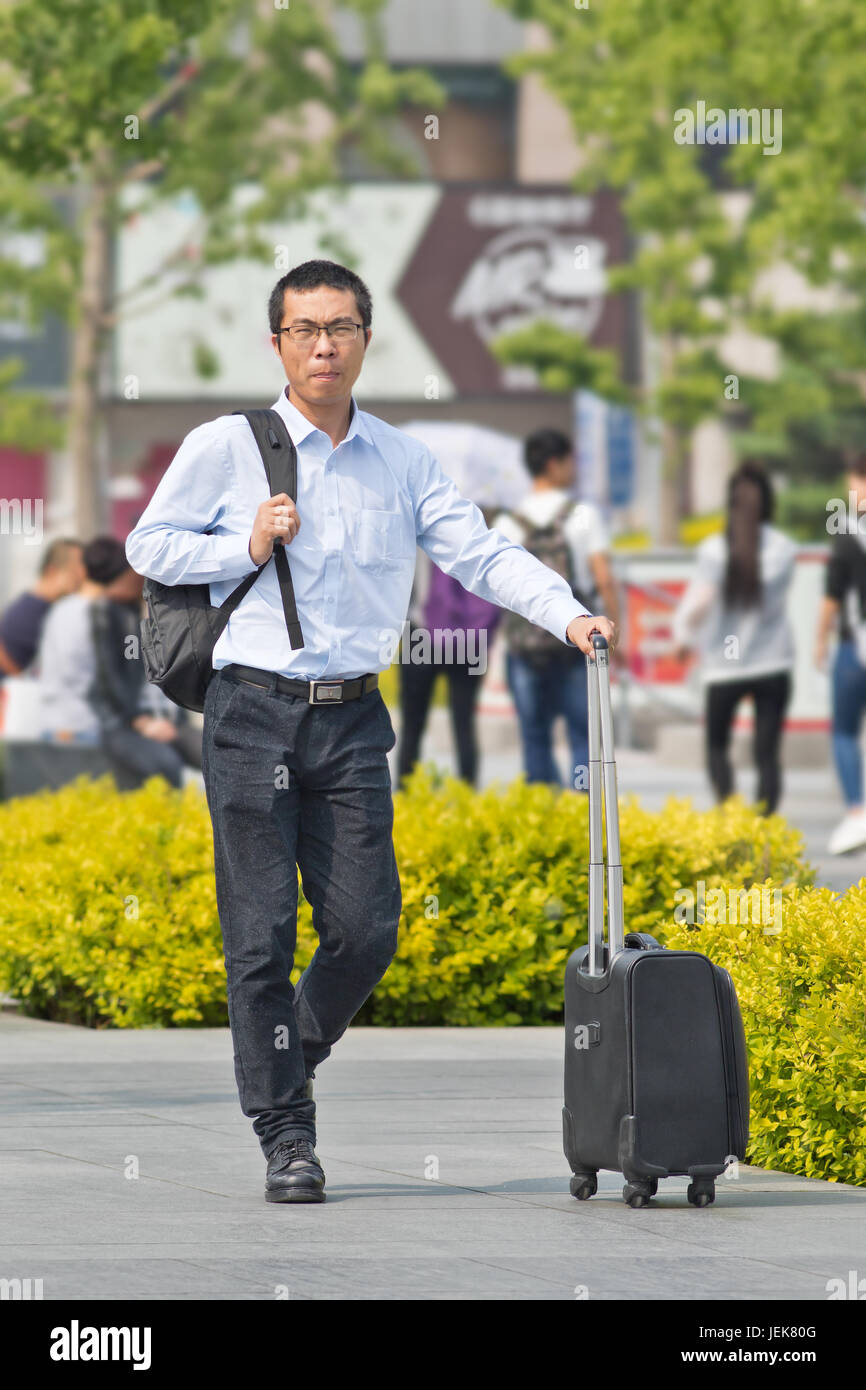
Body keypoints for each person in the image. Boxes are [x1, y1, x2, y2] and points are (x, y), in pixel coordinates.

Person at [125, 258, 617, 1206]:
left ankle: (285, 1059)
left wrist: (568, 614)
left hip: (353, 718)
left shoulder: (401, 458)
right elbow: (152, 544)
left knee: (366, 929)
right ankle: (285, 1134)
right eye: (304, 329)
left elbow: (477, 551)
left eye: (340, 327)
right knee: (260, 934)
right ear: (277, 343)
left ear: (364, 339)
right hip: (251, 713)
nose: (323, 345)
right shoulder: (229, 446)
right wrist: (248, 543)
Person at [493, 429, 620, 789]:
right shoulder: (583, 516)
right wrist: (616, 630)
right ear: (554, 464)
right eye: (570, 460)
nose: (574, 467)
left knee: (534, 735)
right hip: (578, 642)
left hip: (524, 646)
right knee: (583, 734)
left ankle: (543, 821)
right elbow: (604, 579)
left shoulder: (508, 522)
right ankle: (583, 823)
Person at [672, 461, 796, 817]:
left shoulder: (715, 550)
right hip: (773, 661)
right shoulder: (783, 549)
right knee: (767, 753)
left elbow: (701, 601)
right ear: (769, 503)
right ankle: (763, 826)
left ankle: (729, 817)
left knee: (716, 747)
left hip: (723, 666)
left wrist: (682, 636)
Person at [36, 537, 200, 788]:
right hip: (91, 726)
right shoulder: (100, 615)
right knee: (166, 766)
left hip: (63, 722)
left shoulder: (64, 610)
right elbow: (109, 682)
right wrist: (141, 722)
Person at [397, 506, 502, 788]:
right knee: (464, 722)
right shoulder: (480, 525)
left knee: (412, 725)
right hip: (469, 639)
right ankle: (467, 796)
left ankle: (408, 797)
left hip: (421, 633)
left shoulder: (416, 522)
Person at [815, 451, 866, 854]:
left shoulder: (848, 531)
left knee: (845, 731)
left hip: (855, 648)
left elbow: (833, 596)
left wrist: (819, 640)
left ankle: (855, 812)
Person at [0, 538, 84, 678]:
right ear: (51, 571)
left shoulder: (31, 605)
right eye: (74, 572)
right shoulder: (37, 612)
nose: (79, 580)